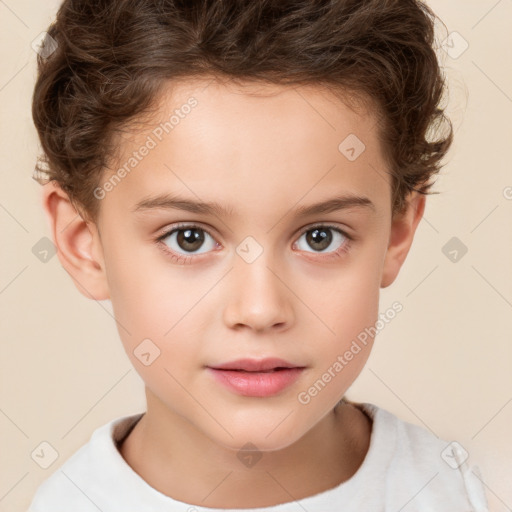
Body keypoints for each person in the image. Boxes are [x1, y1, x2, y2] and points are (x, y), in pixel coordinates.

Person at [28, 0, 489, 510]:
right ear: (83, 245)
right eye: (189, 238)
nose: (260, 309)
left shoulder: (466, 494)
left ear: (396, 233)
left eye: (320, 237)